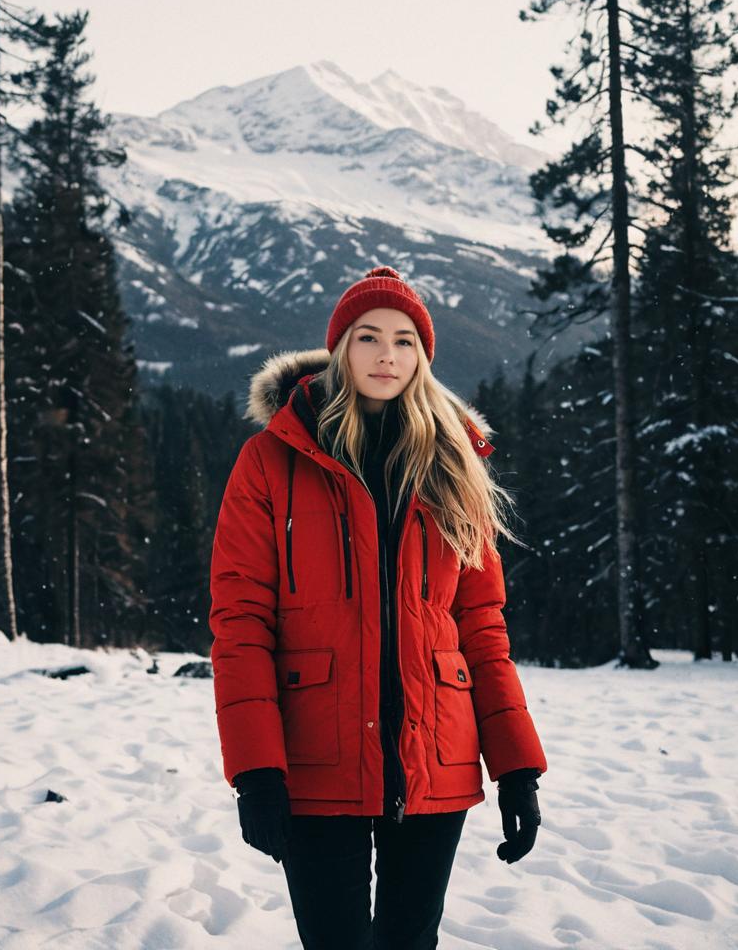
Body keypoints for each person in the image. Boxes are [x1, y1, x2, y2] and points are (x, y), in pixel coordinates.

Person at [209, 266, 547, 950]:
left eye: (403, 340)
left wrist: (515, 768)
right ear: (340, 350)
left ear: (423, 356)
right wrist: (256, 771)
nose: (386, 354)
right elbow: (241, 623)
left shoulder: (454, 465)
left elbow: (481, 628)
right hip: (315, 760)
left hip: (436, 760)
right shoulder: (271, 460)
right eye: (368, 337)